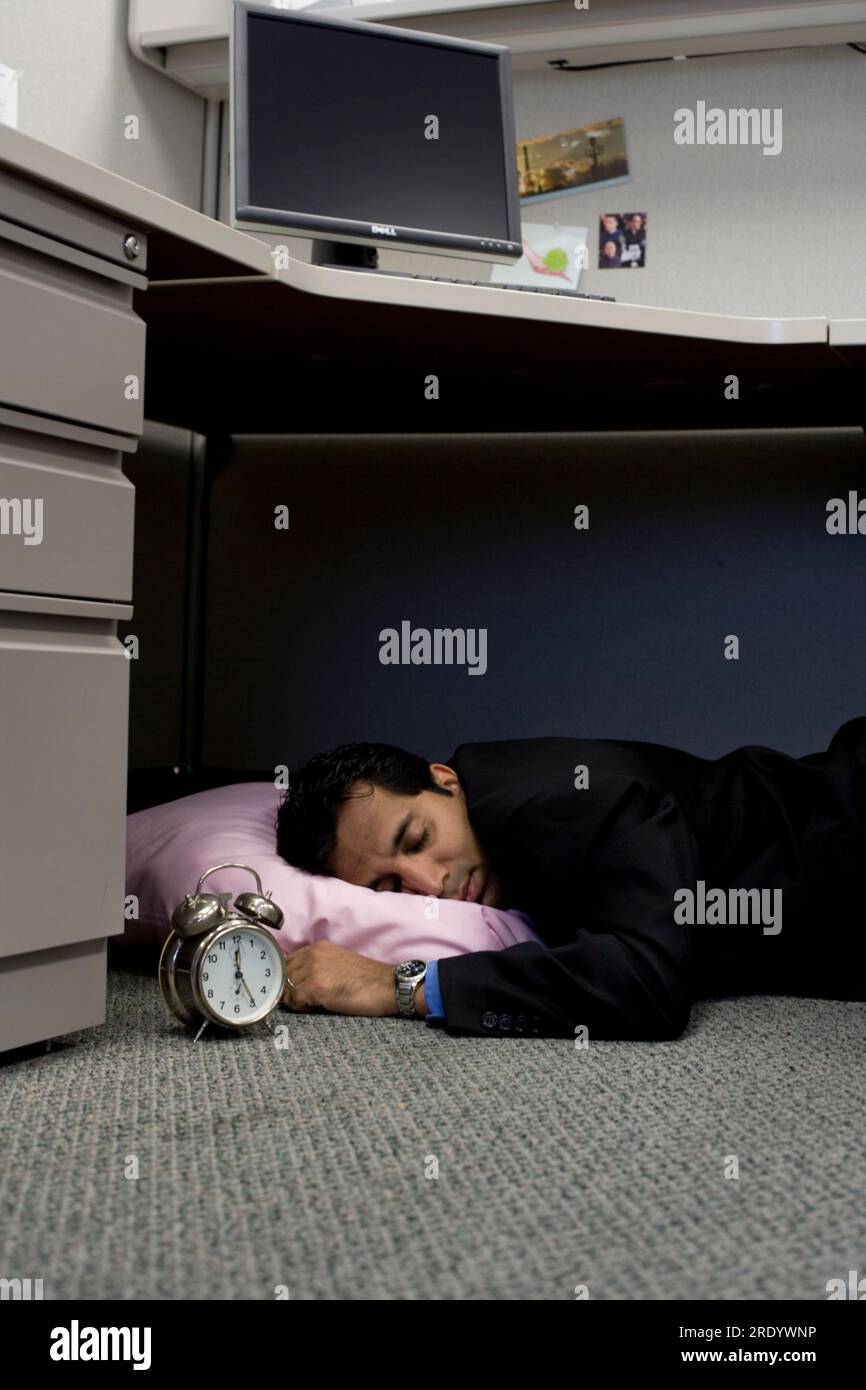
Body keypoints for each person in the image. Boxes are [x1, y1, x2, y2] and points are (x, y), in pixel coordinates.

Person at [275, 720, 866, 1038]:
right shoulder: (489, 798)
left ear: (445, 782)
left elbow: (646, 983)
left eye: (417, 840)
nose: (431, 886)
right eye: (389, 888)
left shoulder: (554, 805)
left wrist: (395, 985)